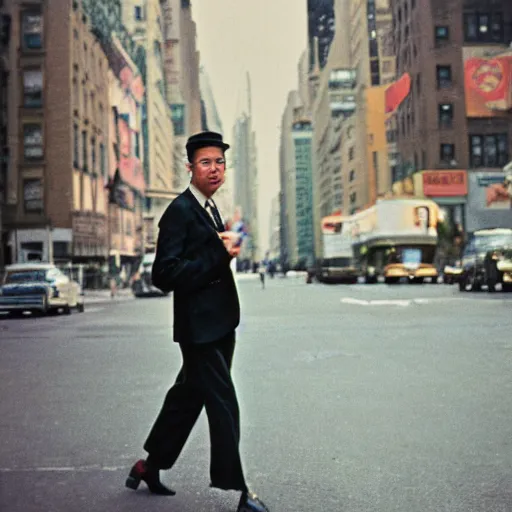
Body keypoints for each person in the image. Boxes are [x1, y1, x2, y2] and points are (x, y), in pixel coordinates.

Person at [125, 131, 269, 512]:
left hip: (220, 324)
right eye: (206, 162)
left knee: (187, 398)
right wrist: (219, 256)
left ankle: (147, 466)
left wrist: (224, 253)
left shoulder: (209, 207)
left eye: (220, 162)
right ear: (190, 167)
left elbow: (208, 261)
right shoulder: (180, 211)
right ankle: (241, 493)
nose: (215, 169)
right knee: (224, 404)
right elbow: (164, 274)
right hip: (200, 330)